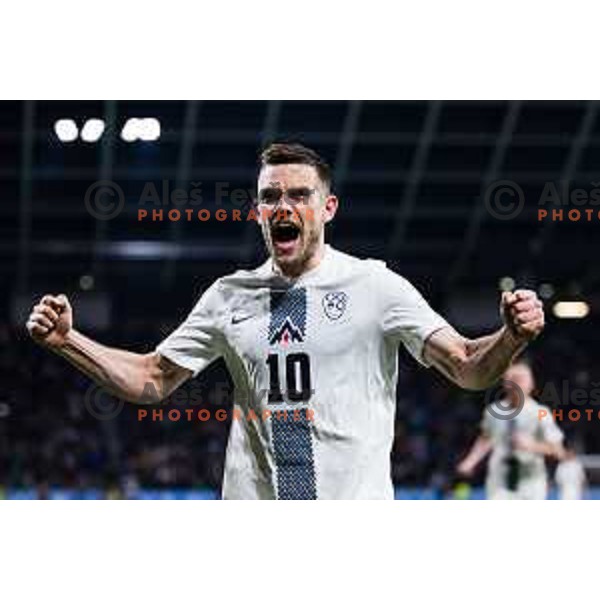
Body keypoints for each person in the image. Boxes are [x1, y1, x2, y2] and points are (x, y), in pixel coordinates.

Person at [26, 143, 545, 499]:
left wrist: (510, 337)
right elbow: (152, 378)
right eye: (270, 197)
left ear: (328, 208)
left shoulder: (376, 286)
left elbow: (468, 367)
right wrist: (68, 341)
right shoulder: (229, 295)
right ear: (257, 212)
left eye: (299, 195)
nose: (283, 206)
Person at [456, 361, 565, 499]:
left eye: (522, 379)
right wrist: (470, 461)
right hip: (499, 479)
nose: (518, 384)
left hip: (531, 480)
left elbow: (558, 450)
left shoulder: (541, 413)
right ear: (505, 384)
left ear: (531, 384)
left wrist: (532, 446)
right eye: (513, 379)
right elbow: (486, 439)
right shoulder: (493, 411)